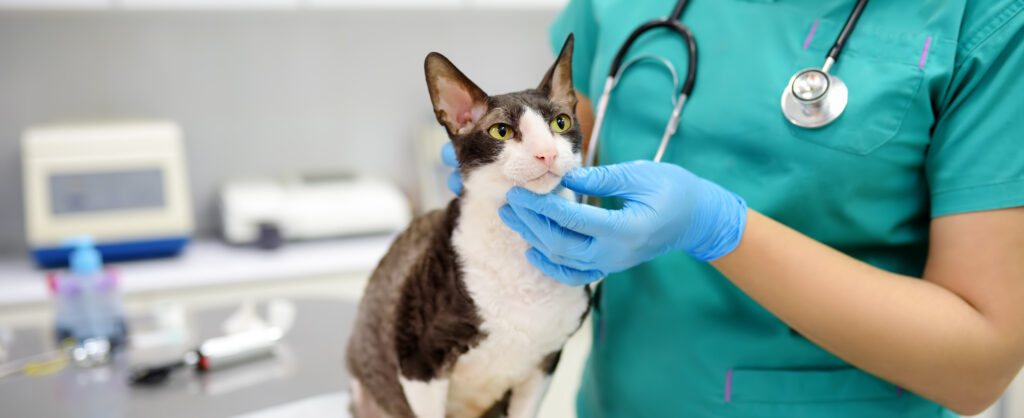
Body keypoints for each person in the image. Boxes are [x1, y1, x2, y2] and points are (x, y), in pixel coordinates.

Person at [442, 0, 1024, 416]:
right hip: (612, 399)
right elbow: (574, 136)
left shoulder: (987, 19)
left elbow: (978, 365)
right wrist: (501, 170)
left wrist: (718, 228)